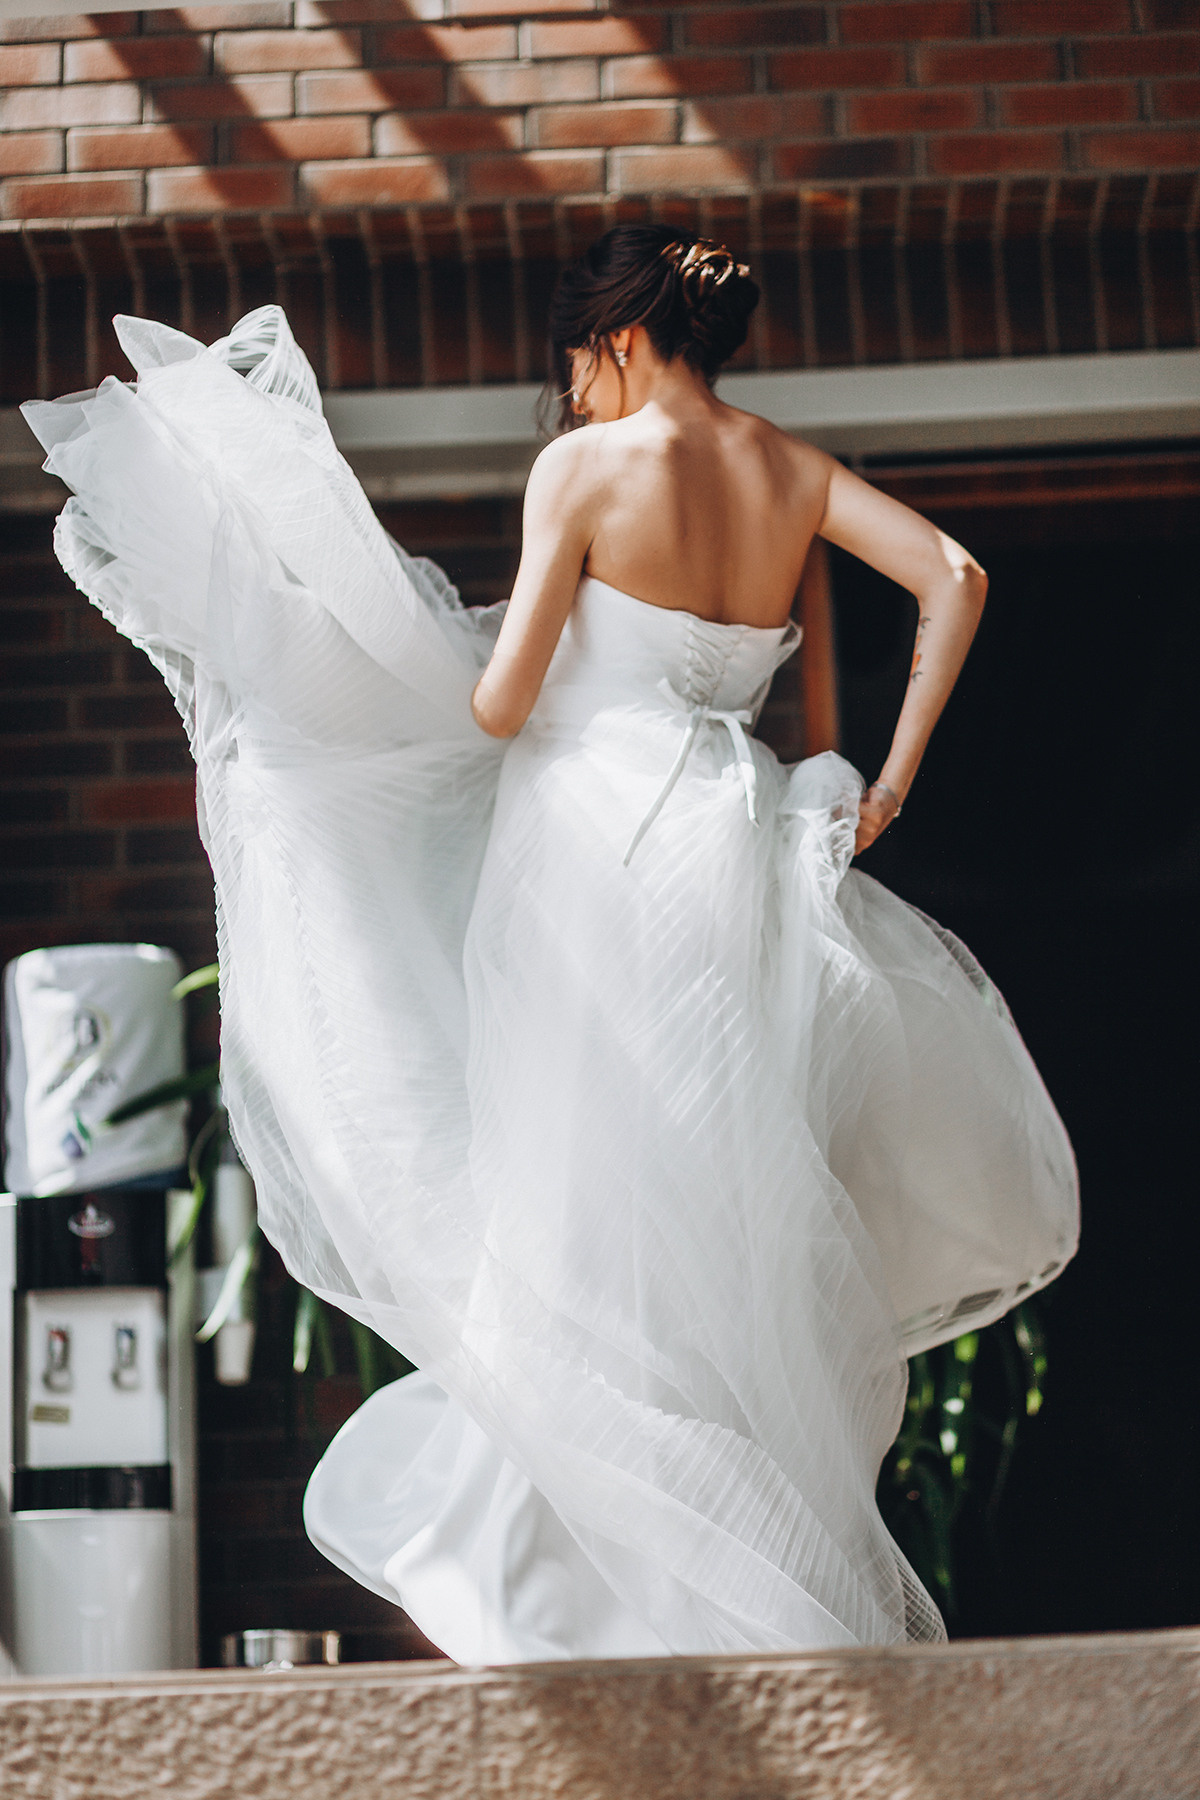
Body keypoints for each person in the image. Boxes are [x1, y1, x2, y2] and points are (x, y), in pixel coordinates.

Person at [22, 224, 1078, 1664]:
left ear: (621, 339)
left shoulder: (583, 468)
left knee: (570, 1193)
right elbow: (954, 573)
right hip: (735, 848)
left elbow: (505, 708)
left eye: (577, 363)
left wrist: (373, 667)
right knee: (708, 1197)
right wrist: (886, 780)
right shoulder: (789, 468)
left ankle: (604, 1591)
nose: (572, 392)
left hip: (591, 848)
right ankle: (719, 1576)